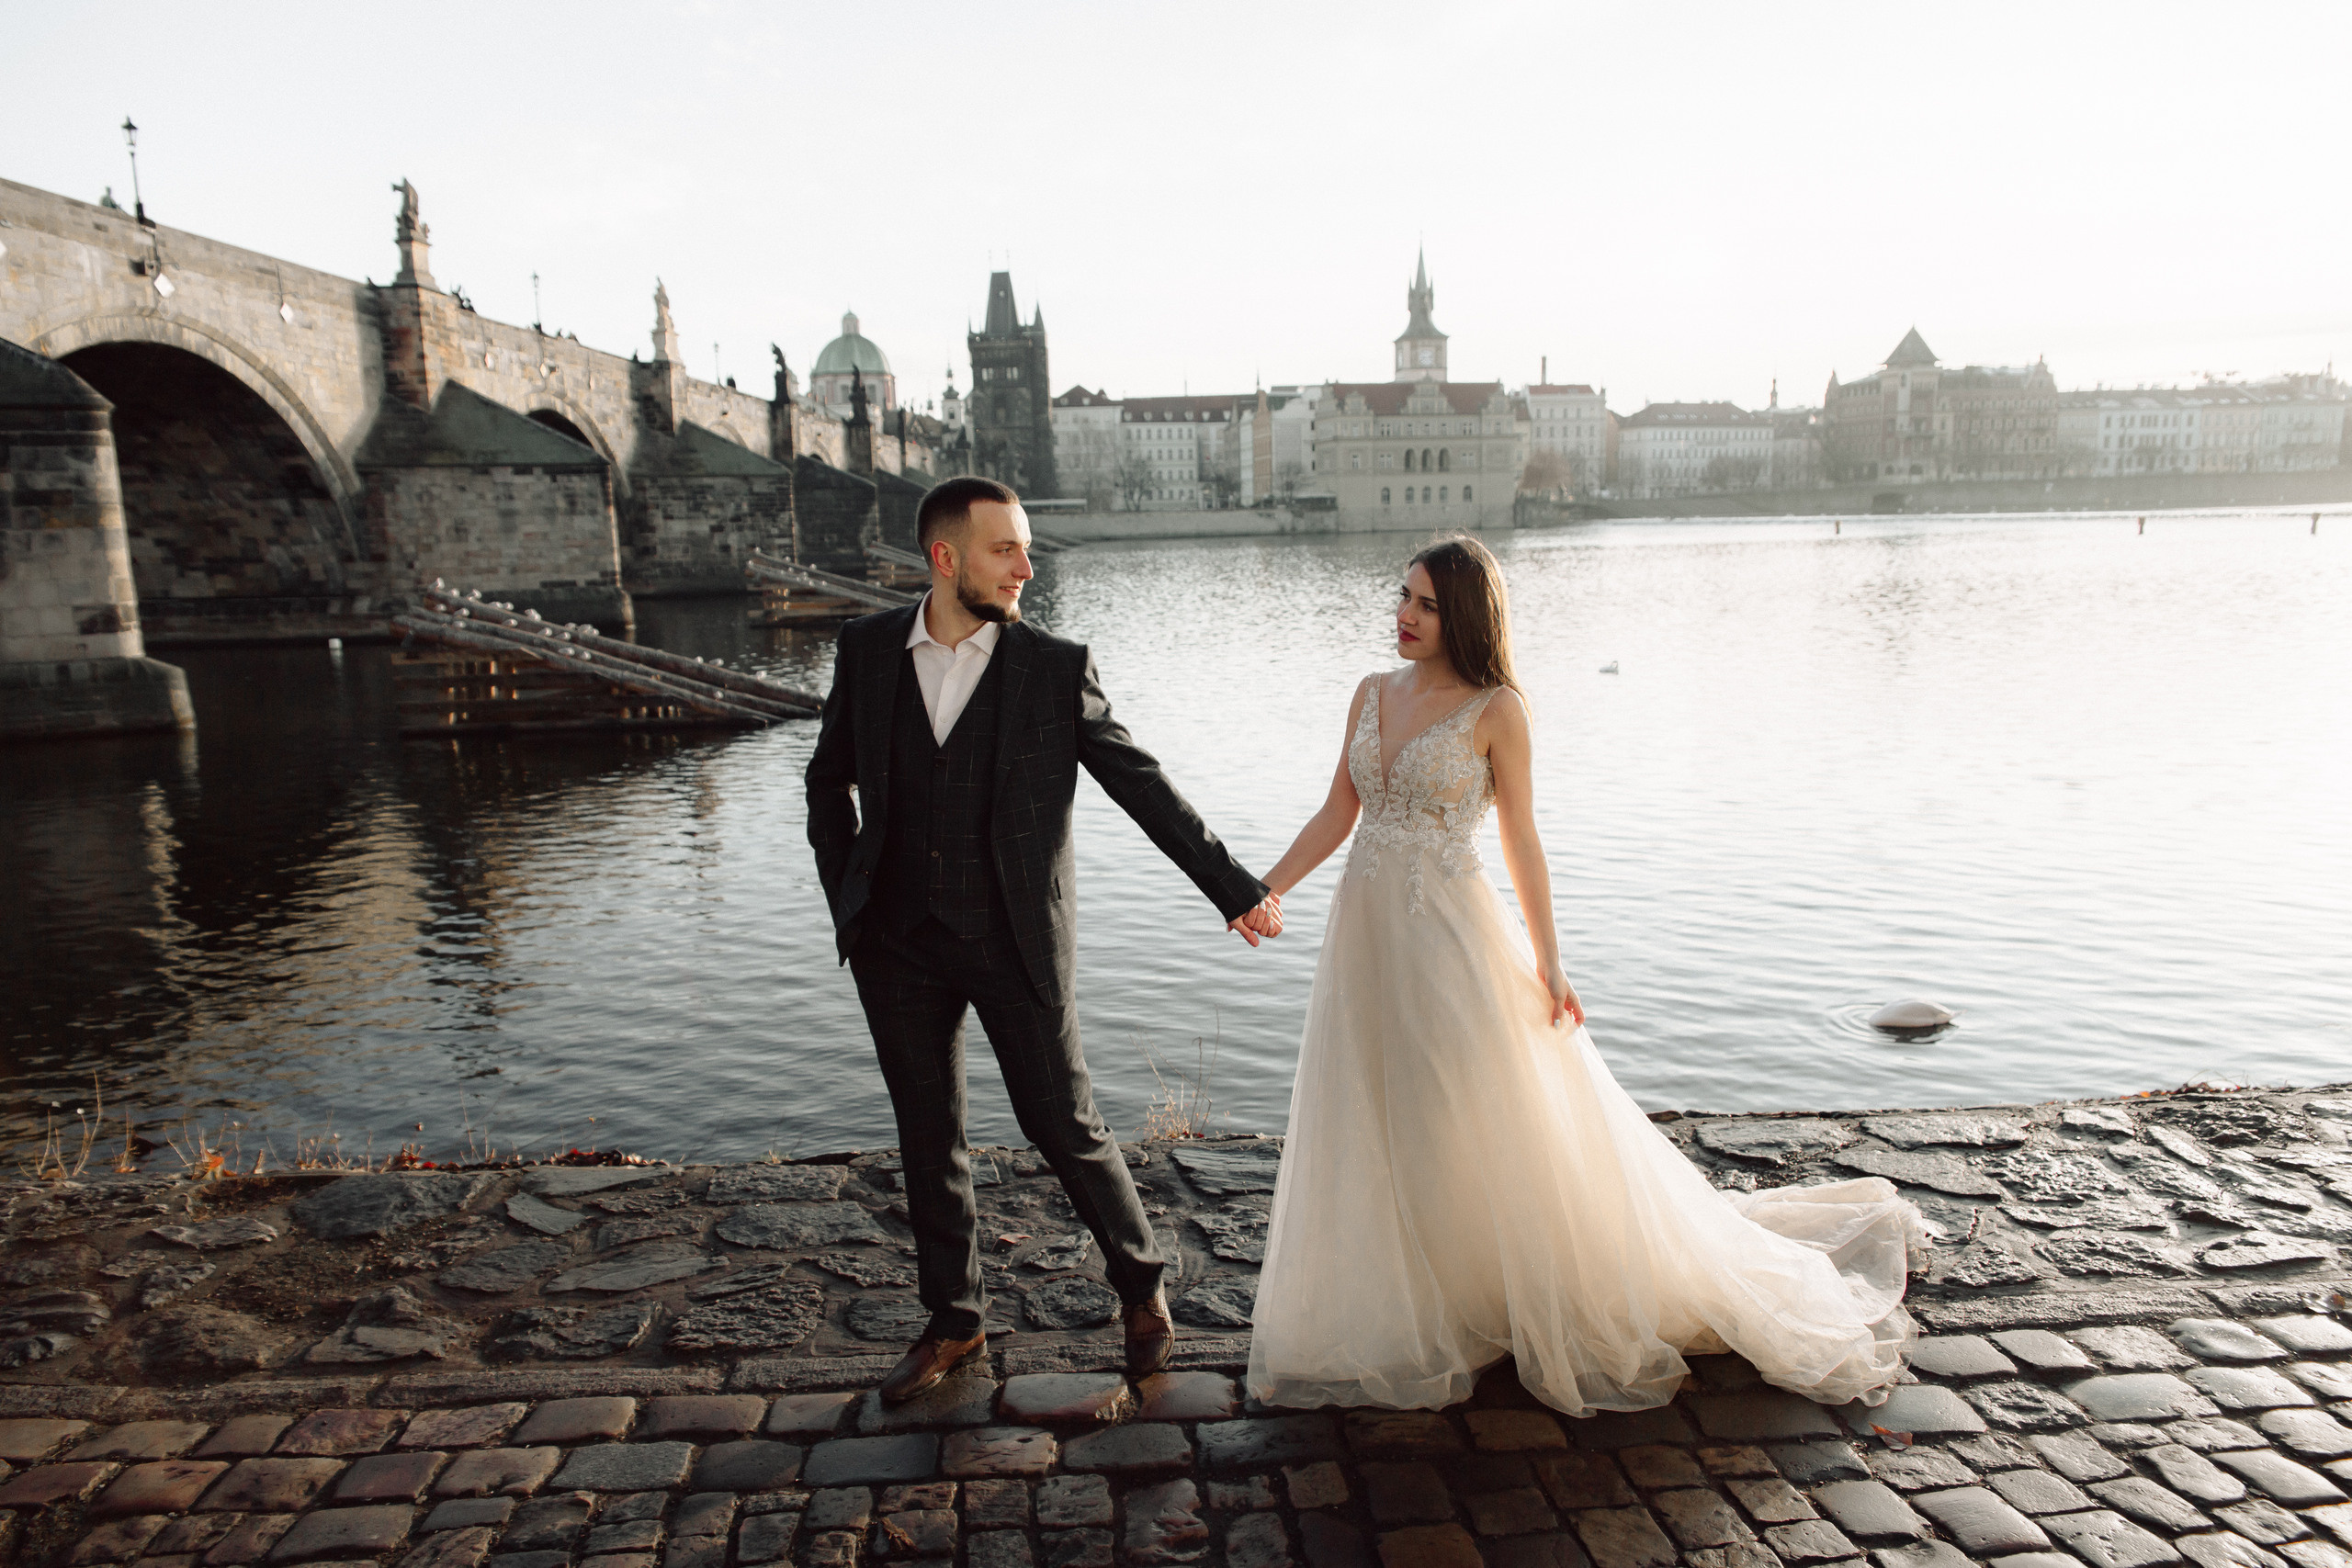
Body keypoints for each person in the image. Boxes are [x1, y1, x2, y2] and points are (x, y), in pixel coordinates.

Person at [1245, 534, 1921, 1414]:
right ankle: (1420, 1290)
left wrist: (1550, 963)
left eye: (1425, 604)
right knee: (1379, 1102)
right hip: (1364, 931)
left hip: (1449, 934)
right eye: (1402, 597)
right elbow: (1341, 807)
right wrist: (1261, 887)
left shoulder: (1498, 708)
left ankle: (1491, 1286)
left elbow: (1523, 840)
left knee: (1463, 1103)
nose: (1403, 616)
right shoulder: (1371, 694)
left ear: (1466, 616)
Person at [806, 476, 1283, 1403]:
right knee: (926, 1131)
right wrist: (846, 896)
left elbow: (1139, 783)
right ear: (945, 559)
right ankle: (955, 1321)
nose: (1028, 567)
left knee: (1060, 1121)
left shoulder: (1052, 669)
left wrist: (1231, 886)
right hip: (895, 938)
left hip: (1013, 934)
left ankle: (1141, 1287)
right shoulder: (865, 651)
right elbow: (828, 781)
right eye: (1005, 550)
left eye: (1025, 549)